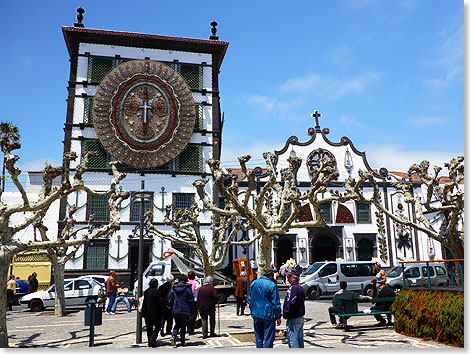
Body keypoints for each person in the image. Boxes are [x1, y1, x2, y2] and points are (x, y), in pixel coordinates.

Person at [248, 265, 282, 348]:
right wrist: (278, 316)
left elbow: (250, 300)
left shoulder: (254, 283)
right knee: (268, 338)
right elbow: (276, 303)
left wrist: (252, 312)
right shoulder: (272, 285)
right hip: (268, 314)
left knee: (258, 338)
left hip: (257, 313)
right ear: (271, 274)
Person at [282, 269, 305, 348]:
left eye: (289, 276)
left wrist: (286, 313)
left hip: (293, 317)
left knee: (293, 340)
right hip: (300, 316)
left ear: (294, 278)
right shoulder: (300, 287)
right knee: (299, 339)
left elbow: (291, 302)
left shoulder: (293, 288)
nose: (287, 278)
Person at [171, 275, 194, 347]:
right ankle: (182, 341)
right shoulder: (187, 288)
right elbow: (191, 299)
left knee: (177, 324)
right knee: (183, 326)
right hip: (185, 309)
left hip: (176, 308)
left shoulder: (174, 287)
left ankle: (174, 336)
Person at [141, 278, 165, 347]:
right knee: (158, 327)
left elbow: (144, 303)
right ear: (155, 284)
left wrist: (143, 312)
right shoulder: (156, 291)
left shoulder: (146, 291)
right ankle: (152, 339)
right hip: (155, 313)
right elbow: (160, 300)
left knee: (149, 328)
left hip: (147, 313)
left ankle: (150, 341)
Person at [186, 270, 201, 335]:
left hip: (187, 300)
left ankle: (188, 328)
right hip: (194, 300)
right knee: (193, 315)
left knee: (187, 315)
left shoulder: (186, 282)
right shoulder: (196, 283)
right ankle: (191, 329)